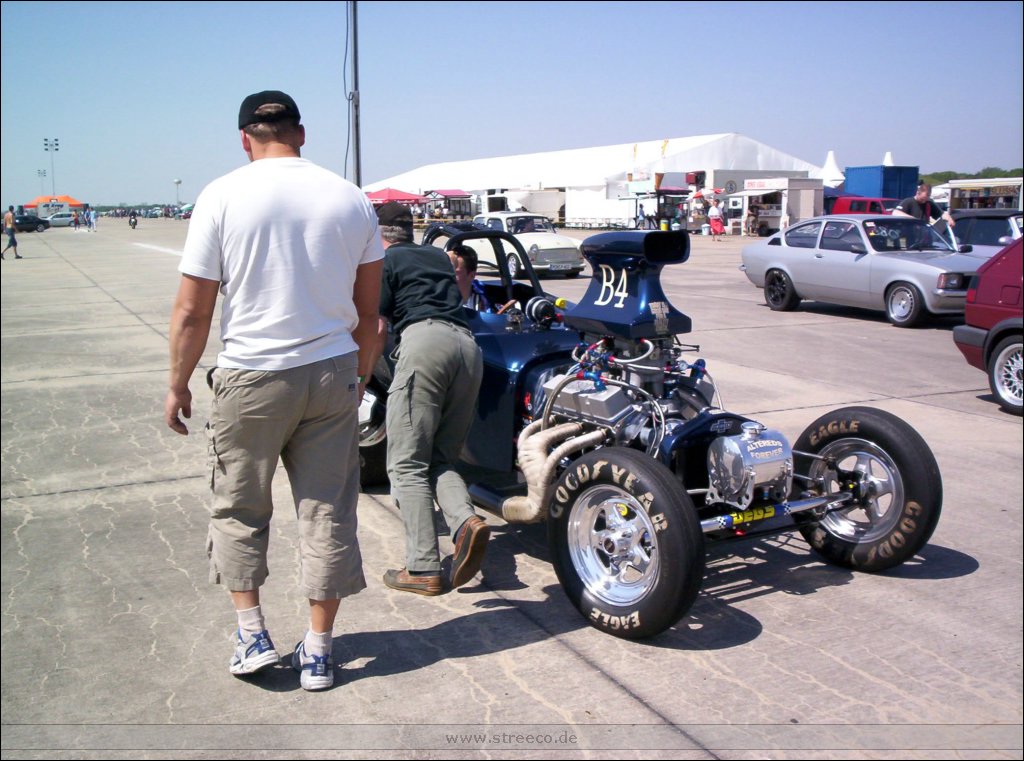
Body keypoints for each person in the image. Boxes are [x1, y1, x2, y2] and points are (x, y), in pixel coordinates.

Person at [163, 90, 384, 692]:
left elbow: (192, 311)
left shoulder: (221, 196)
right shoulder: (351, 198)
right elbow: (371, 316)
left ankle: (252, 633)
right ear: (301, 134)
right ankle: (318, 650)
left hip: (252, 377)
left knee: (240, 507)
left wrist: (178, 383)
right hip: (332, 372)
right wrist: (357, 375)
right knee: (328, 511)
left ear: (244, 139)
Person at [373, 202, 488, 597]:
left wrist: (359, 372)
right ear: (409, 229)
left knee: (406, 463)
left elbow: (377, 324)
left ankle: (422, 565)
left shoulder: (385, 261)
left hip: (424, 345)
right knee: (440, 459)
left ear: (380, 233)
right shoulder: (439, 257)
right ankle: (465, 523)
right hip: (468, 349)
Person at [448, 244, 492, 311]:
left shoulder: (482, 303)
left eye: (455, 273)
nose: (449, 276)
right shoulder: (437, 298)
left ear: (471, 275)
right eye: (447, 271)